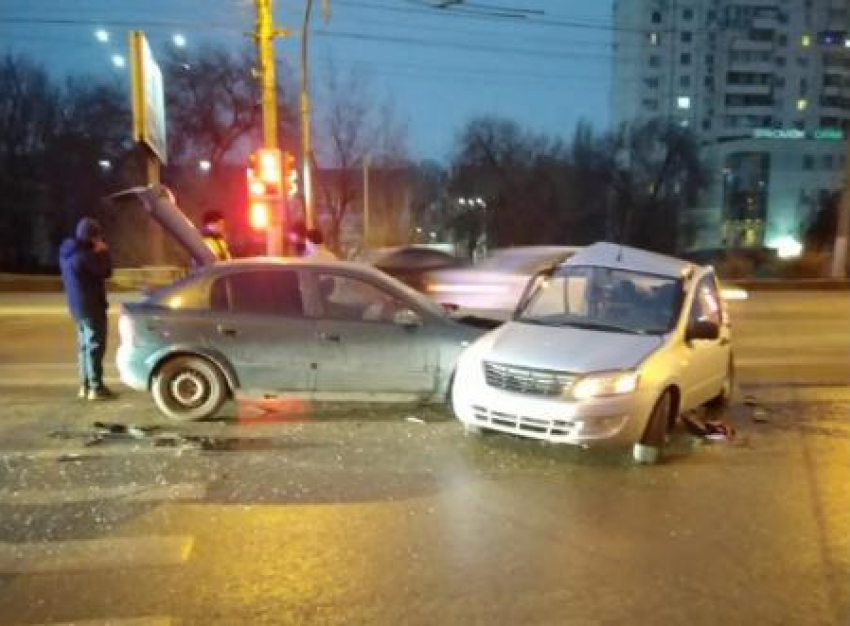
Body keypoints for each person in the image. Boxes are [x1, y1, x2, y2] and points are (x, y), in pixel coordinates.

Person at [59, 217, 115, 401]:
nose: (99, 240)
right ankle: (96, 388)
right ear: (92, 237)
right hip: (91, 307)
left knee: (84, 347)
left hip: (76, 307)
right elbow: (106, 271)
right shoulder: (86, 256)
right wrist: (104, 252)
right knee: (95, 347)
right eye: (97, 236)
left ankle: (85, 385)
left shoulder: (67, 253)